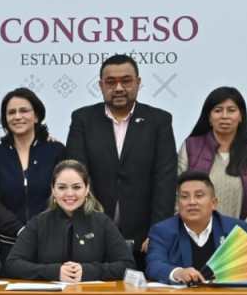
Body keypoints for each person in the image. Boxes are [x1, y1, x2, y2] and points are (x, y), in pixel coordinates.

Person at [65, 54, 175, 265]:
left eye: (126, 81)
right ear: (100, 85)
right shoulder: (82, 119)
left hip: (144, 237)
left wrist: (158, 232)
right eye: (110, 82)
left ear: (138, 83)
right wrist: (90, 227)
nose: (118, 88)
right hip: (92, 234)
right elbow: (77, 175)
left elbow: (165, 180)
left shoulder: (159, 121)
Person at [179, 86, 247, 245]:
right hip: (194, 241)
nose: (224, 116)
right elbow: (175, 196)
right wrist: (193, 232)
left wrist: (241, 234)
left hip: (240, 245)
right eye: (218, 110)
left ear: (241, 116)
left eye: (231, 110)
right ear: (209, 117)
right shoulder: (190, 148)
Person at [4, 160, 134, 281]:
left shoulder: (103, 222)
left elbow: (128, 266)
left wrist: (88, 271)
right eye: (62, 187)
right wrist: (55, 272)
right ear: (53, 190)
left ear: (87, 189)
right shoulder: (38, 223)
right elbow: (12, 264)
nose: (69, 194)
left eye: (76, 187)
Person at [0, 87, 65, 264]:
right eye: (11, 112)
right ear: (5, 119)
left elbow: (66, 195)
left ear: (36, 116)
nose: (17, 116)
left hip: (52, 243)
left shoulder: (56, 151)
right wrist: (20, 230)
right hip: (10, 246)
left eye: (24, 110)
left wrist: (40, 229)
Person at [146, 170, 247, 285]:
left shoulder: (235, 230)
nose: (192, 202)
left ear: (214, 203)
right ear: (177, 204)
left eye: (199, 196)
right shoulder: (162, 231)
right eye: (185, 197)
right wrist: (178, 273)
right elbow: (153, 265)